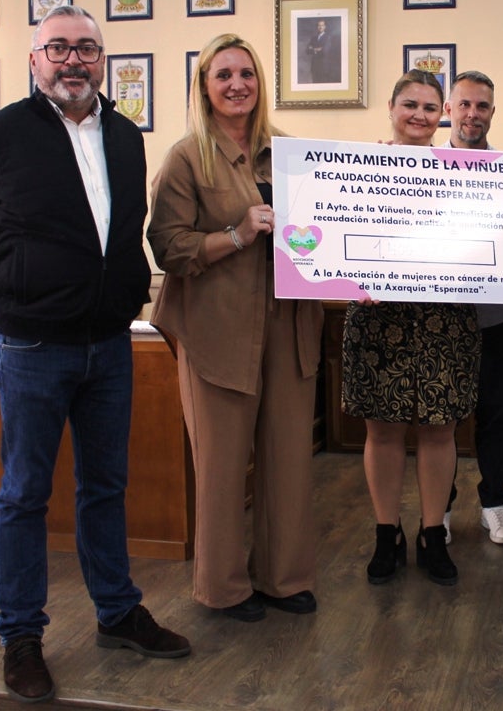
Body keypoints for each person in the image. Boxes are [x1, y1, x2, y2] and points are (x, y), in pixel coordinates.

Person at [0, 5, 190, 704]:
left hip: (111, 347)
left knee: (105, 488)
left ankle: (117, 612)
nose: (73, 60)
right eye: (58, 48)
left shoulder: (124, 134)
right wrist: (4, 315)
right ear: (35, 60)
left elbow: (126, 228)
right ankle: (21, 636)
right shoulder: (0, 137)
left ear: (102, 59)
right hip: (32, 348)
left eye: (86, 48)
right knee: (23, 496)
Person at [146, 34, 323, 624]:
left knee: (289, 456)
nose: (237, 84)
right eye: (223, 75)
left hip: (289, 324)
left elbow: (325, 232)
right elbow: (167, 246)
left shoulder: (292, 154)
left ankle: (283, 577)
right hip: (216, 328)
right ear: (204, 86)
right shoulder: (185, 158)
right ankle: (221, 588)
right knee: (222, 464)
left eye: (246, 73)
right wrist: (237, 235)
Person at [343, 69, 480, 585]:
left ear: (442, 113)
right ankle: (387, 534)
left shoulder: (466, 173)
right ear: (391, 106)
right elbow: (336, 232)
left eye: (429, 107)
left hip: (444, 315)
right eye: (410, 105)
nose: (420, 115)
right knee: (382, 428)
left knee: (439, 427)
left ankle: (433, 535)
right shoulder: (358, 169)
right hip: (379, 312)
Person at [442, 70, 503, 546]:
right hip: (441, 317)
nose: (474, 114)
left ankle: (495, 504)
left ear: (494, 113)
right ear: (449, 109)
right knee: (443, 418)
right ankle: (442, 508)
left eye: (483, 107)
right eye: (465, 105)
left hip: (497, 315)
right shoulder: (417, 165)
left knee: (493, 414)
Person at [305, 19, 339, 83]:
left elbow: (324, 51)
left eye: (322, 25)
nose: (320, 27)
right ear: (317, 27)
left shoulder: (328, 37)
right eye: (319, 25)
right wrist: (316, 49)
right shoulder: (313, 38)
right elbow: (307, 51)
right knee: (315, 85)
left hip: (323, 67)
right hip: (314, 66)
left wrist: (313, 48)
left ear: (325, 27)